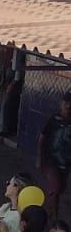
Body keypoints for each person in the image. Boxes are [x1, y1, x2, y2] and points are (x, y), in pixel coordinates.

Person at [37, 91, 71, 220]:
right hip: (50, 161)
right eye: (66, 102)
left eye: (70, 103)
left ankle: (50, 211)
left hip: (65, 163)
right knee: (55, 189)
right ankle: (53, 219)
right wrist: (39, 159)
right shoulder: (53, 119)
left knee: (60, 190)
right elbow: (41, 138)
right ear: (61, 104)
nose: (68, 106)